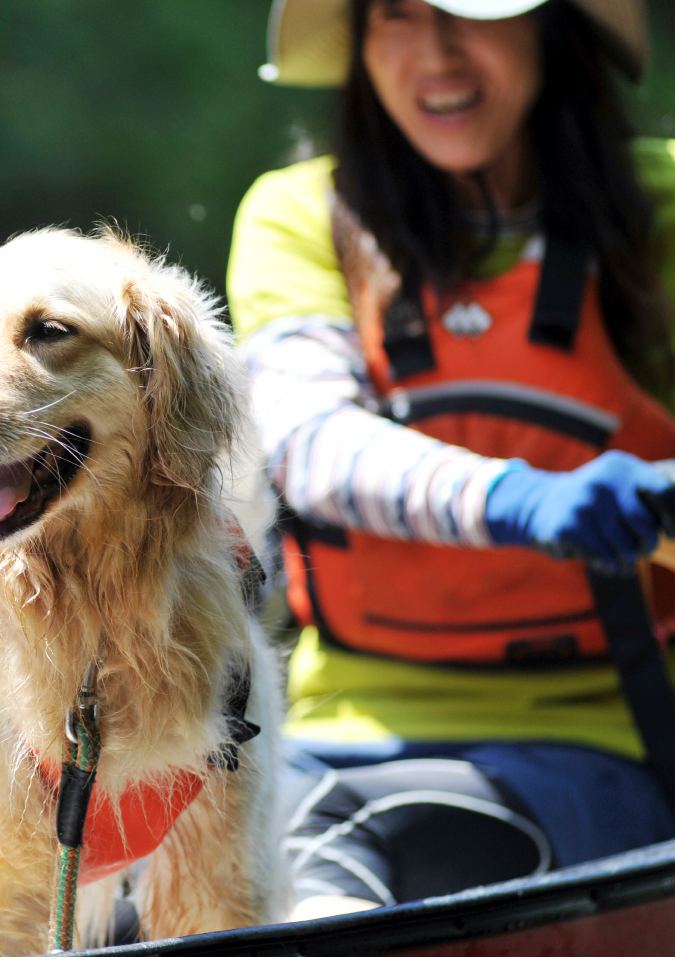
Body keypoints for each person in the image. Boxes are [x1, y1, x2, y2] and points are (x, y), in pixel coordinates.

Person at [231, 0, 675, 921]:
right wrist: (520, 499)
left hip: (612, 742)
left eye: (475, 12)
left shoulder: (662, 206)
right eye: (395, 12)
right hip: (329, 739)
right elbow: (309, 441)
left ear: (553, 28)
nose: (435, 52)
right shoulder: (297, 213)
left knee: (396, 841)